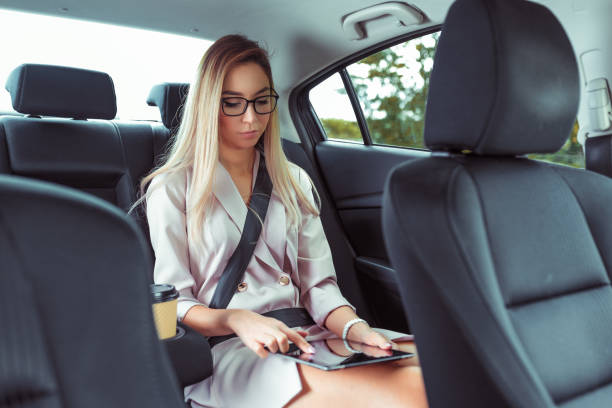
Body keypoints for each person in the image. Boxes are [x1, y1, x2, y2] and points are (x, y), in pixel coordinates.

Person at [141, 34, 427, 408]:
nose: (251, 117)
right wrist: (236, 319)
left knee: (451, 368)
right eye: (233, 103)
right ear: (208, 105)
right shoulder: (173, 186)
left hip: (310, 334)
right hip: (231, 350)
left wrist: (356, 329)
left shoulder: (293, 180)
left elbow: (320, 287)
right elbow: (175, 302)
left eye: (262, 101)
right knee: (412, 393)